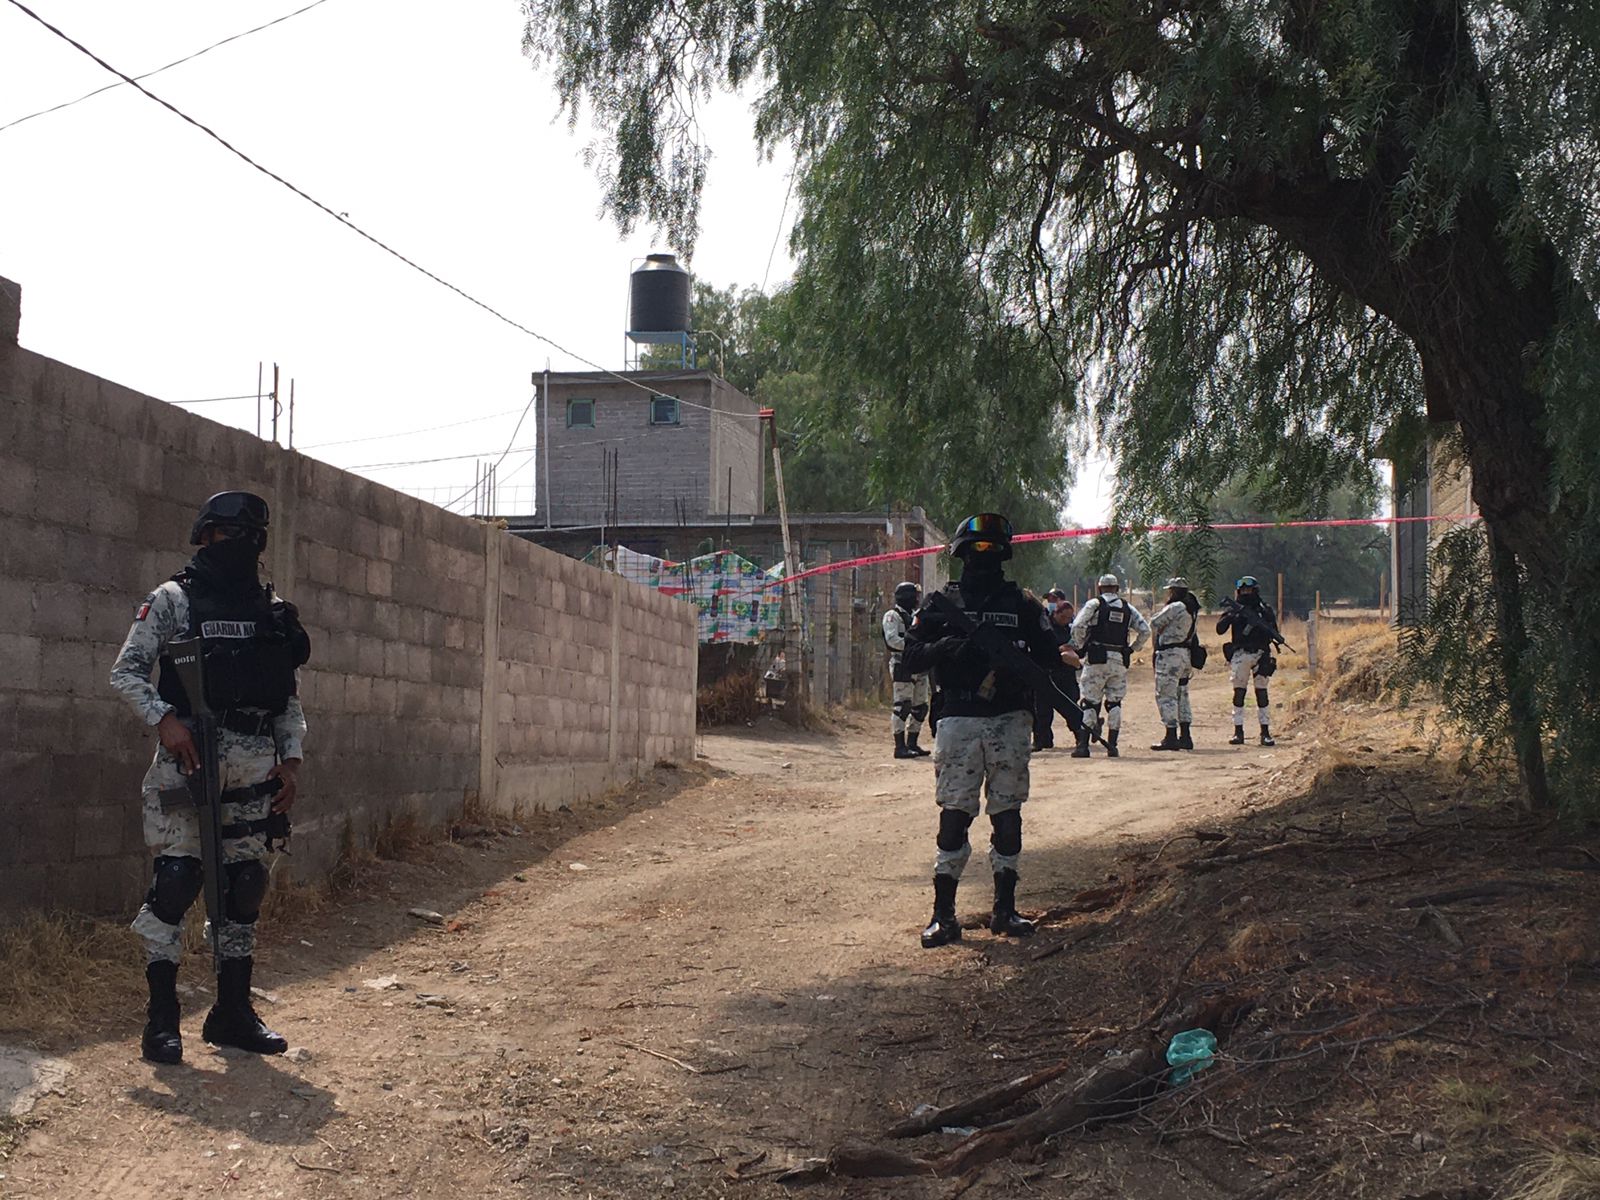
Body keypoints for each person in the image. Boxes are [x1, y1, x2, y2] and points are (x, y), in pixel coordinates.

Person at [109, 492, 310, 1064]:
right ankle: (162, 1021)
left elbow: (287, 698)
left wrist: (290, 760)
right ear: (205, 537)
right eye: (229, 535)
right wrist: (165, 720)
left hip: (254, 762)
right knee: (177, 881)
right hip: (189, 758)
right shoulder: (173, 600)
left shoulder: (272, 609)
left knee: (245, 885)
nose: (239, 547)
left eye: (250, 537)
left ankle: (231, 1014)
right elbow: (126, 673)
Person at [902, 513, 1065, 948]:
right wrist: (948, 646)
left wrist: (1016, 655)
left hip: (1010, 719)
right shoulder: (939, 604)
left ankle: (1005, 910)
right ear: (960, 555)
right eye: (977, 551)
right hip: (958, 718)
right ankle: (943, 916)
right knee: (954, 815)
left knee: (1007, 815)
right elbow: (909, 658)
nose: (984, 559)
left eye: (992, 551)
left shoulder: (1024, 605)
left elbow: (1049, 656)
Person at [1068, 573, 1150, 758]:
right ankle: (1112, 745)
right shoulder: (1128, 608)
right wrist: (1132, 649)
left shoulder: (1094, 604)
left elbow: (1077, 626)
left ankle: (1083, 746)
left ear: (1099, 588)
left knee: (1090, 702)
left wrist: (1082, 645)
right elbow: (1145, 630)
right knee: (1115, 703)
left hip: (1096, 659)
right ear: (1117, 588)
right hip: (1119, 659)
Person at [1216, 574, 1280, 746]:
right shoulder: (1233, 610)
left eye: (1249, 589)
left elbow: (1273, 630)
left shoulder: (1264, 610)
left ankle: (1265, 733)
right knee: (1239, 693)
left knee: (1262, 693)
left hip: (1261, 654)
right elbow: (1219, 629)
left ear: (1255, 590)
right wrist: (1232, 615)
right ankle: (1238, 732)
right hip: (1240, 654)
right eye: (1242, 589)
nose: (1246, 592)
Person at [1148, 577, 1199, 751]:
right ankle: (1185, 736)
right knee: (1182, 694)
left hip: (1170, 655)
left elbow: (1154, 622)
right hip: (1185, 655)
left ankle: (1170, 736)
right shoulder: (1192, 610)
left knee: (1166, 695)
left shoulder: (1175, 607)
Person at [882, 580, 932, 759]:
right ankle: (899, 746)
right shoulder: (892, 616)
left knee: (920, 707)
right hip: (902, 664)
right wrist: (913, 646)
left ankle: (912, 743)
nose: (917, 599)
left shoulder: (916, 616)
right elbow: (892, 640)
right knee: (902, 706)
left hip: (919, 666)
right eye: (915, 596)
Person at [1031, 589, 1080, 751]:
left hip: (1066, 674)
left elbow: (1080, 649)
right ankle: (1042, 740)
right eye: (1062, 617)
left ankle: (1081, 738)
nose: (1065, 621)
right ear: (1056, 614)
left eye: (1068, 618)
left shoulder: (1072, 629)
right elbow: (1041, 648)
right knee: (1042, 712)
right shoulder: (1045, 626)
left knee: (1071, 708)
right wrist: (1058, 650)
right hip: (1047, 673)